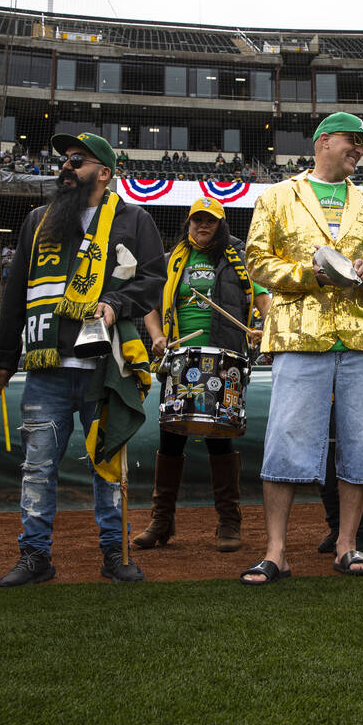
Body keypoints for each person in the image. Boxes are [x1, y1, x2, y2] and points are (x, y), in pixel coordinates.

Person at [0, 132, 166, 587]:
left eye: (78, 160)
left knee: (108, 465)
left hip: (106, 366)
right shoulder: (38, 219)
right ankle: (35, 556)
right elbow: (16, 293)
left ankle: (115, 551)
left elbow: (151, 281)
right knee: (37, 467)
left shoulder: (135, 219)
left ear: (104, 173)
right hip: (46, 367)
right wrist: (4, 356)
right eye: (65, 160)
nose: (66, 166)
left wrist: (114, 302)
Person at [241, 111, 363, 584]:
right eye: (354, 141)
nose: (360, 150)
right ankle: (276, 551)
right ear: (323, 141)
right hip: (298, 333)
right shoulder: (276, 195)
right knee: (286, 438)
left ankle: (347, 545)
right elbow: (256, 260)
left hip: (362, 334)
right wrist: (311, 275)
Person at [138, 196, 270, 552]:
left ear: (221, 225)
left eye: (210, 221)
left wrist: (267, 327)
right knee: (171, 436)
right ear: (188, 223)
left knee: (219, 436)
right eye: (197, 220)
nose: (203, 226)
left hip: (223, 358)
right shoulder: (170, 260)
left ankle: (229, 521)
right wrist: (157, 336)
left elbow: (261, 298)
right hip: (181, 357)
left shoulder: (238, 260)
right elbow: (150, 304)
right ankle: (161, 521)